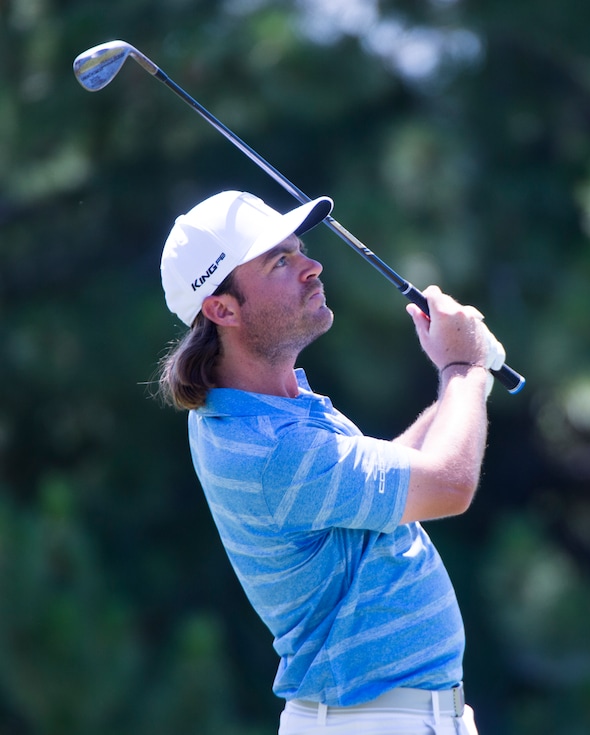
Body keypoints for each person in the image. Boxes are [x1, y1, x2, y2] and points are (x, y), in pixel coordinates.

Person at [157, 190, 505, 735]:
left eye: (300, 250)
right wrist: (465, 368)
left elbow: (398, 474)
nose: (313, 267)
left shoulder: (272, 407)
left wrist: (461, 381)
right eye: (281, 261)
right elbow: (447, 486)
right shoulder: (273, 448)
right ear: (221, 308)